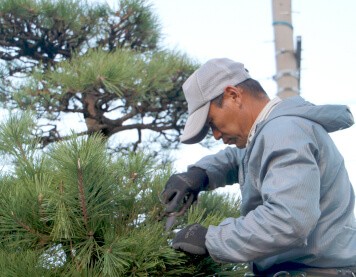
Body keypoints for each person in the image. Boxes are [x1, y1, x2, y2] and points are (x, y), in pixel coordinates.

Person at [160, 58, 356, 276]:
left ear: (233, 95)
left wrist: (211, 239)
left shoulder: (284, 132)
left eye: (212, 122)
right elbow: (239, 158)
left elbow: (289, 220)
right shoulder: (271, 132)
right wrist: (199, 175)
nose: (215, 135)